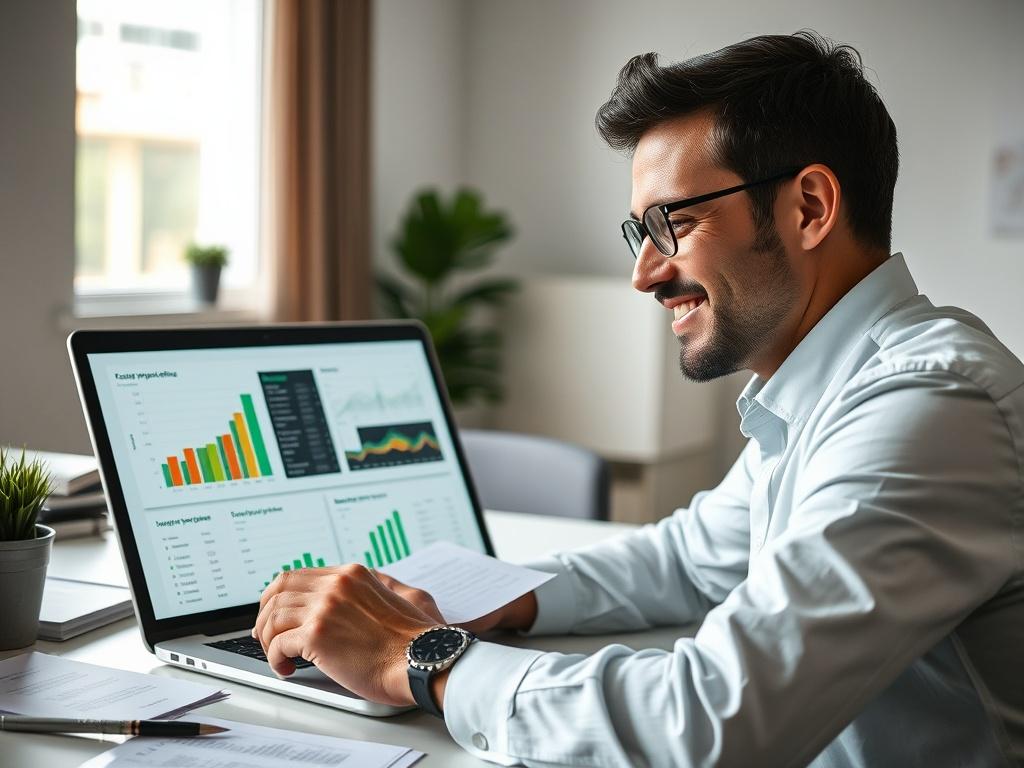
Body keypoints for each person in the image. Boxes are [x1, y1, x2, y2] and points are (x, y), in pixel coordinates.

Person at [252, 31, 1024, 767]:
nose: (644, 273)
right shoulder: (835, 392)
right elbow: (691, 559)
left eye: (674, 223)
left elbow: (713, 722)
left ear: (810, 208)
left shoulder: (927, 408)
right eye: (639, 232)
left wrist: (411, 655)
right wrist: (488, 601)